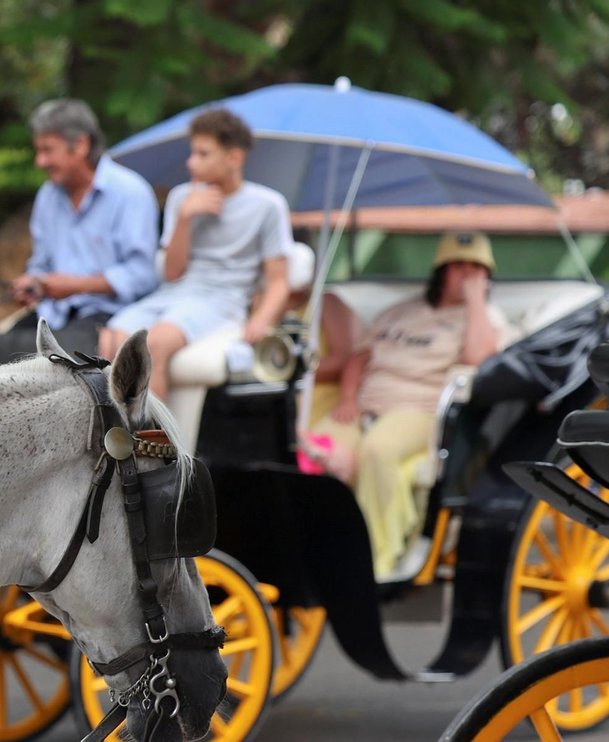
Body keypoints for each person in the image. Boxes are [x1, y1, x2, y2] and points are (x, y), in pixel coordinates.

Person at [311, 232, 506, 579]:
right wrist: (347, 399)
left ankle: (378, 559)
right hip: (365, 404)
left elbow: (479, 360)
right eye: (458, 265)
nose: (465, 273)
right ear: (441, 270)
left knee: (378, 451)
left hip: (420, 410)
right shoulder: (401, 311)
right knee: (314, 451)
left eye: (475, 268)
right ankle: (320, 547)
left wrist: (475, 300)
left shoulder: (487, 318)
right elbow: (359, 357)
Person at [99, 108, 292, 399]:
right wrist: (185, 217)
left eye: (203, 154)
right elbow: (171, 273)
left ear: (234, 158)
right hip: (172, 296)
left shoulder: (267, 205)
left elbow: (278, 281)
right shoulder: (181, 198)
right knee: (109, 340)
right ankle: (116, 436)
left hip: (222, 301)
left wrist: (260, 321)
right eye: (192, 153)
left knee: (152, 347)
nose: (191, 163)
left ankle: (155, 443)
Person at [10, 98, 159, 334]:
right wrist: (34, 284)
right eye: (38, 151)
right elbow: (40, 264)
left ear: (80, 145)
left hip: (109, 318)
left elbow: (143, 276)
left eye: (47, 150)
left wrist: (76, 286)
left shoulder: (130, 192)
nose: (40, 162)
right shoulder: (47, 196)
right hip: (53, 315)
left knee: (46, 364)